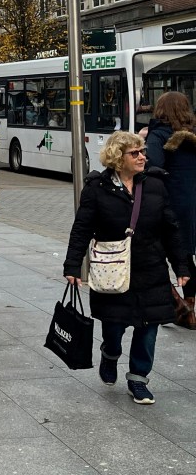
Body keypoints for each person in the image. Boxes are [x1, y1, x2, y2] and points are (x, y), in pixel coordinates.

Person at [64, 131, 191, 405]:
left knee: (149, 327)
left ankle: (138, 379)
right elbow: (82, 229)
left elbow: (171, 229)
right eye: (135, 153)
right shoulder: (97, 188)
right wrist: (73, 265)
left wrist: (181, 265)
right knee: (114, 326)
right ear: (117, 157)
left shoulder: (155, 184)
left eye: (143, 151)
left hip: (151, 268)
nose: (143, 156)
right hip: (113, 270)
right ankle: (110, 355)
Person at [144, 91, 196, 324]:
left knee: (154, 256)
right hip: (192, 204)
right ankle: (191, 309)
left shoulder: (159, 134)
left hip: (168, 205)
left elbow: (153, 166)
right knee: (185, 257)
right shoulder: (193, 135)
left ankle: (178, 304)